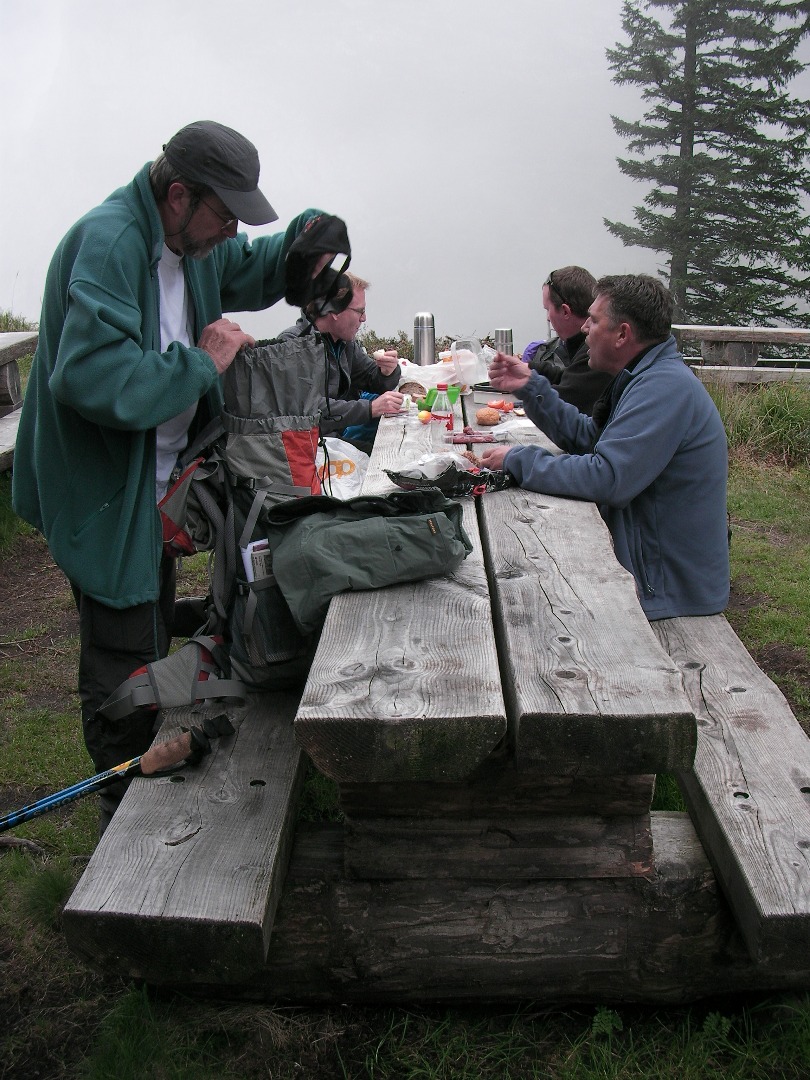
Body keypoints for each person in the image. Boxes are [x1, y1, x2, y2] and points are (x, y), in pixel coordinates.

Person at [12, 120, 322, 830]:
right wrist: (202, 362)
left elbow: (249, 264)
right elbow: (94, 377)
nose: (230, 231)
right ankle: (120, 811)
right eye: (225, 215)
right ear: (179, 195)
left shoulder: (191, 242)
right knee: (123, 661)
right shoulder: (111, 244)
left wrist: (304, 245)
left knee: (147, 621)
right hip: (105, 493)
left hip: (153, 490)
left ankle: (154, 687)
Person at [481, 274, 729, 621]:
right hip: (648, 568)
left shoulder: (664, 388)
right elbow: (592, 440)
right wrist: (531, 387)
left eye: (594, 321)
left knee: (522, 608)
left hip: (667, 588)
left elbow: (608, 477)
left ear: (622, 334)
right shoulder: (645, 375)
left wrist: (519, 459)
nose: (585, 328)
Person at [280, 272, 403, 452]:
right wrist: (370, 408)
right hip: (306, 449)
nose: (364, 318)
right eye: (360, 311)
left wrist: (387, 372)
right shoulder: (294, 345)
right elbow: (308, 410)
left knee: (392, 450)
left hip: (333, 438)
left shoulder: (342, 343)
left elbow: (373, 380)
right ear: (335, 310)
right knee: (384, 456)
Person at [521, 265, 613, 415]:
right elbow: (571, 377)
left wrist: (519, 385)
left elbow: (562, 402)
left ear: (565, 311)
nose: (548, 318)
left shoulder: (595, 349)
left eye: (548, 309)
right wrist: (528, 368)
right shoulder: (582, 348)